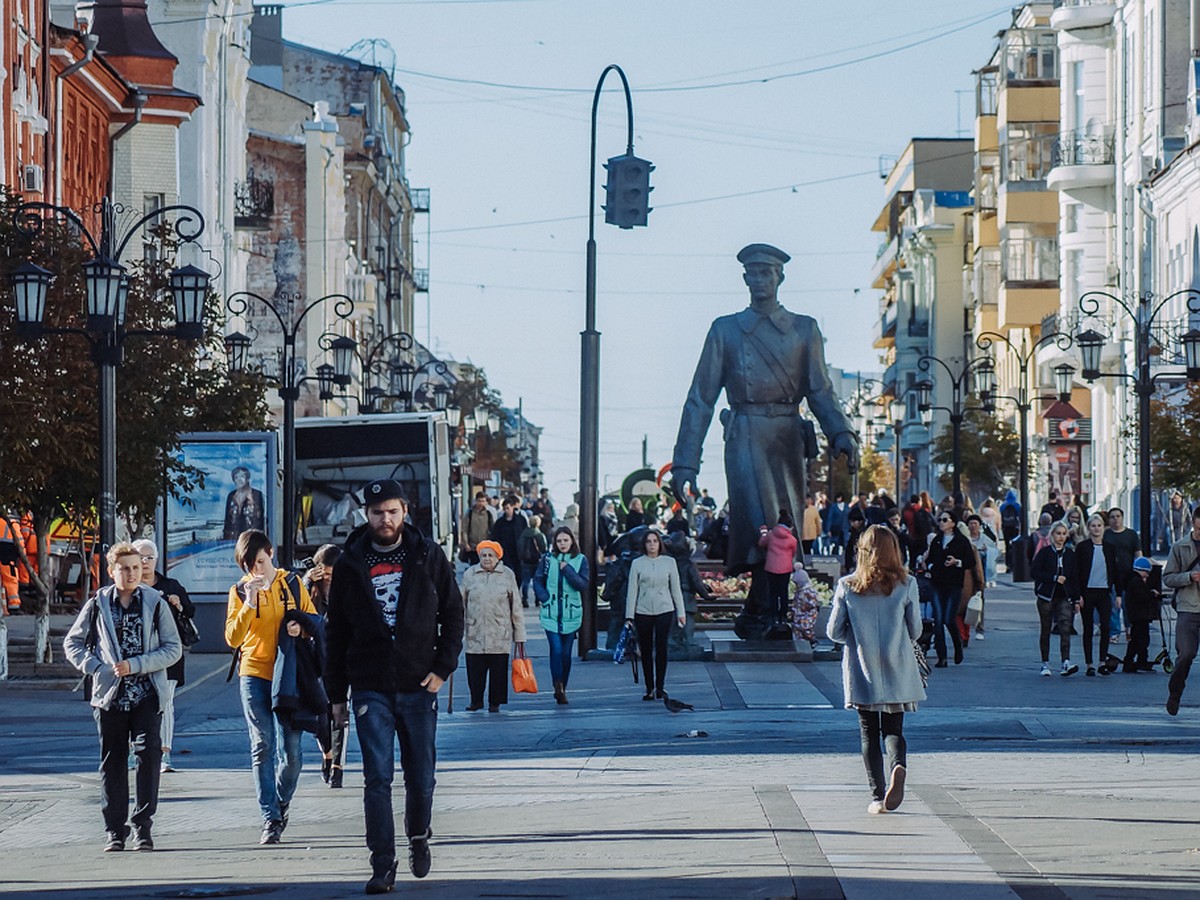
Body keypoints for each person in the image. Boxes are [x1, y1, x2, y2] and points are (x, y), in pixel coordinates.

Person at [668, 243, 858, 639]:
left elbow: (821, 389)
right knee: (759, 524)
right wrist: (685, 461)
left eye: (766, 273)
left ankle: (764, 612)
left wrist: (841, 432)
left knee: (783, 529)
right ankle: (768, 612)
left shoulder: (804, 329)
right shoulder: (726, 329)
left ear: (779, 277)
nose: (759, 280)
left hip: (786, 436)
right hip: (745, 434)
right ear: (744, 278)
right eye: (752, 273)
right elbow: (700, 398)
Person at [324, 479, 464, 893]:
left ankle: (418, 833)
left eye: (392, 511)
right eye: (376, 513)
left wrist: (443, 668)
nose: (385, 519)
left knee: (421, 777)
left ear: (405, 510)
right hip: (370, 686)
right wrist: (335, 695)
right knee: (377, 778)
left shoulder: (427, 555)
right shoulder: (350, 562)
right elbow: (336, 633)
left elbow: (453, 614)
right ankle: (382, 863)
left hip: (419, 684)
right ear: (365, 515)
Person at [63, 542, 182, 851]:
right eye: (124, 568)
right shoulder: (98, 603)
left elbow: (173, 648)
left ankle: (143, 827)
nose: (131, 573)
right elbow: (72, 643)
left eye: (136, 567)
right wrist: (96, 668)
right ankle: (115, 831)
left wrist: (138, 665)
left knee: (148, 755)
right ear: (111, 571)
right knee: (112, 763)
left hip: (146, 694)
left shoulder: (155, 602)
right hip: (110, 698)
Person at [225, 529, 315, 845]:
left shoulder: (292, 584)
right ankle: (270, 818)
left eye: (260, 562)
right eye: (249, 565)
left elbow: (315, 622)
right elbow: (232, 639)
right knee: (262, 745)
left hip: (287, 675)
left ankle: (281, 800)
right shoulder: (238, 591)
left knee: (291, 754)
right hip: (253, 673)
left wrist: (299, 627)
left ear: (270, 554)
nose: (256, 570)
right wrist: (249, 603)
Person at [827, 525, 924, 815]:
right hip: (898, 665)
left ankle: (877, 796)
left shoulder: (848, 585)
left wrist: (856, 638)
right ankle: (898, 765)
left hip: (863, 666)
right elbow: (916, 630)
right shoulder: (907, 584)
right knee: (893, 728)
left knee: (869, 733)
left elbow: (833, 631)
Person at [131, 539, 193, 774]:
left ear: (156, 560)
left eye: (149, 557)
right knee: (133, 702)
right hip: (136, 655)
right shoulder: (128, 586)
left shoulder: (170, 585)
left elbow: (190, 611)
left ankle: (164, 754)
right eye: (140, 557)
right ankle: (133, 751)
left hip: (168, 654)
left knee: (165, 703)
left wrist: (178, 604)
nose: (145, 562)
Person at [460, 540, 526, 712]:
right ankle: (476, 700)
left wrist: (520, 635)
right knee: (475, 669)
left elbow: (516, 606)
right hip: (475, 630)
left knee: (498, 670)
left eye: (491, 555)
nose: (487, 558)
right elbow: (460, 603)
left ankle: (495, 702)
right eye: (483, 555)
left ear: (498, 557)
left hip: (499, 631)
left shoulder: (507, 575)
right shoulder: (470, 574)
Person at [303, 543, 347, 788]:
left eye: (333, 572)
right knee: (321, 717)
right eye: (325, 573)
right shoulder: (310, 590)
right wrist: (308, 581)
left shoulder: (349, 588)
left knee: (340, 715)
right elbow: (297, 610)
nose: (329, 577)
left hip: (341, 659)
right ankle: (327, 754)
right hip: (315, 660)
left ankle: (338, 766)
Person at [624, 529, 686, 700]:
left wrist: (681, 612)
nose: (652, 544)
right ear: (644, 544)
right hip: (642, 610)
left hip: (664, 609)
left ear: (660, 543)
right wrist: (629, 616)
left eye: (655, 541)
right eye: (649, 541)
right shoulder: (637, 563)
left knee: (661, 648)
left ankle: (660, 686)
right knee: (645, 649)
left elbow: (676, 589)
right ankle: (649, 687)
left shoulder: (669, 562)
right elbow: (632, 591)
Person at [534, 527, 589, 705]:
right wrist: (545, 598)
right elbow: (538, 580)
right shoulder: (547, 559)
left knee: (566, 654)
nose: (562, 544)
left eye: (565, 540)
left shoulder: (580, 560)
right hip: (551, 612)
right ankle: (557, 686)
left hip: (571, 613)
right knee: (556, 650)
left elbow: (582, 584)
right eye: (559, 541)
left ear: (572, 541)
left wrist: (568, 570)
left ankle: (563, 686)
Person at [922, 509, 972, 668]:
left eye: (945, 520)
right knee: (937, 620)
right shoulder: (937, 540)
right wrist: (931, 567)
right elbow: (929, 559)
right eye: (940, 520)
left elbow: (970, 562)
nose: (941, 523)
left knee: (948, 618)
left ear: (953, 523)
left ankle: (958, 643)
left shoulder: (961, 541)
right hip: (937, 583)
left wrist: (957, 562)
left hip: (954, 585)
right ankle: (941, 657)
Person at [1163, 505, 1200, 716]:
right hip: (1188, 606)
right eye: (1198, 529)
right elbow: (1167, 578)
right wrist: (1189, 577)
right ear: (1193, 525)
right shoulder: (1180, 547)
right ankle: (1175, 693)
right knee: (1186, 654)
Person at [1032, 521, 1081, 677]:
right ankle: (1045, 663)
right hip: (1046, 596)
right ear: (1052, 535)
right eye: (1058, 534)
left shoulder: (1070, 554)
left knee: (1065, 628)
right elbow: (1035, 572)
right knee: (1045, 629)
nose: (1061, 537)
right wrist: (1053, 578)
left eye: (1063, 534)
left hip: (1064, 596)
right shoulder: (1045, 553)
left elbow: (1074, 577)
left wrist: (1076, 598)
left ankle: (1065, 661)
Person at [1075, 514, 1118, 676]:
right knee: (1088, 628)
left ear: (1103, 528)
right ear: (1088, 528)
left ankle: (1102, 662)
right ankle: (1089, 664)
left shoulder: (1109, 547)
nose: (1096, 529)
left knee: (1106, 627)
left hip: (1104, 591)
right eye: (1093, 526)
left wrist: (1118, 593)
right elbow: (1077, 572)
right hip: (1087, 592)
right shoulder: (1083, 547)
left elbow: (1114, 570)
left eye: (1099, 525)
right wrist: (1078, 595)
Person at [1122, 556, 1160, 673]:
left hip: (1135, 615)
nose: (1147, 576)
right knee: (1143, 639)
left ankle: (1130, 661)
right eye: (1146, 572)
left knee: (1135, 639)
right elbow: (1142, 597)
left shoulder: (1131, 580)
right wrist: (1152, 594)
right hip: (1140, 615)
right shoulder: (1136, 582)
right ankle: (1141, 661)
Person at [758, 517, 798, 625]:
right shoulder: (792, 539)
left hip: (771, 567)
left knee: (773, 593)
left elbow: (762, 543)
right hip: (785, 568)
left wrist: (764, 532)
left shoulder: (771, 535)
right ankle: (783, 615)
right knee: (783, 592)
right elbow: (793, 553)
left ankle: (773, 615)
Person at [964, 516, 995, 640]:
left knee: (979, 600)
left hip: (979, 574)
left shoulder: (985, 539)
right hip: (966, 576)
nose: (973, 526)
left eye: (975, 523)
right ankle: (965, 628)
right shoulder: (965, 539)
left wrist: (986, 551)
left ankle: (979, 627)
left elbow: (994, 554)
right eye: (970, 523)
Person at [489, 495, 527, 590]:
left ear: (513, 507)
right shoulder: (500, 522)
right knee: (507, 572)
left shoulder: (520, 520)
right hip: (505, 551)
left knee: (519, 574)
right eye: (504, 508)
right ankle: (509, 591)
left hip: (518, 551)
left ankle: (516, 589)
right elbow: (495, 536)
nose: (506, 510)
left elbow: (525, 534)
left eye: (508, 508)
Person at [223, 466, 266, 540]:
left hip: (251, 539)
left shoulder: (256, 495)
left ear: (247, 479)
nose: (239, 480)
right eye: (236, 477)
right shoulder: (231, 496)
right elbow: (228, 521)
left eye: (242, 476)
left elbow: (260, 521)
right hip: (233, 539)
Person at [518, 515, 548, 605]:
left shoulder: (523, 534)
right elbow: (544, 548)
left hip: (525, 560)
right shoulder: (539, 535)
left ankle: (525, 599)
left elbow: (520, 546)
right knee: (537, 580)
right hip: (537, 560)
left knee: (525, 581)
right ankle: (537, 599)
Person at [461, 491, 492, 565]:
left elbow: (492, 529)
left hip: (485, 546)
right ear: (476, 501)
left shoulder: (488, 514)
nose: (481, 503)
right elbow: (465, 529)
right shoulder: (470, 513)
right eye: (479, 501)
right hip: (473, 547)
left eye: (483, 501)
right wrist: (466, 544)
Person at [999, 489, 1022, 569]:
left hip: (1006, 528)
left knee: (1007, 546)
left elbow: (1000, 517)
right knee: (1014, 545)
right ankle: (1014, 563)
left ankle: (1008, 563)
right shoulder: (1017, 505)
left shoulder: (1003, 506)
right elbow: (1020, 517)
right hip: (1014, 527)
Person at [844, 506, 867, 573]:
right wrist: (848, 566)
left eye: (853, 522)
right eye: (850, 522)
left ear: (860, 521)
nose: (852, 524)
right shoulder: (853, 531)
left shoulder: (868, 531)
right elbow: (849, 549)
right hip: (856, 562)